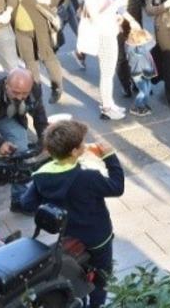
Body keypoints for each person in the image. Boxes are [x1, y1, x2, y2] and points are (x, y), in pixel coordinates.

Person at [21, 119, 124, 308]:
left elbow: (27, 203)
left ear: (50, 151)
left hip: (69, 236)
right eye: (82, 143)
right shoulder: (88, 177)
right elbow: (117, 187)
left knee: (76, 272)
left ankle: (78, 297)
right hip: (97, 238)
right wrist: (109, 156)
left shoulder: (41, 175)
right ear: (76, 151)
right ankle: (97, 304)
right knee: (102, 276)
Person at [0, 68, 48, 215]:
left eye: (24, 93)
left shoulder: (34, 88)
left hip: (4, 113)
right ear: (6, 85)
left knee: (21, 148)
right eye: (16, 92)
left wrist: (45, 138)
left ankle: (19, 199)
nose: (20, 98)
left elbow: (39, 115)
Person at [12, 0, 65, 104]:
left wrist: (47, 0)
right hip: (21, 30)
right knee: (29, 63)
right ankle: (36, 95)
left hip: (40, 28)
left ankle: (57, 86)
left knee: (47, 58)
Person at [83, 0, 131, 120]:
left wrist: (117, 16)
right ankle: (106, 106)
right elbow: (96, 18)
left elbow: (109, 14)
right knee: (107, 73)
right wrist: (116, 5)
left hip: (111, 33)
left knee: (109, 72)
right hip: (103, 36)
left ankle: (110, 103)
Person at [108, 0, 140, 98]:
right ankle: (125, 84)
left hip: (135, 14)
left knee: (135, 51)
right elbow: (115, 3)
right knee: (121, 55)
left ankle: (136, 81)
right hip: (118, 19)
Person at [126, 28, 157, 116]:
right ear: (139, 41)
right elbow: (153, 43)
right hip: (139, 74)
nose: (146, 41)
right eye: (144, 40)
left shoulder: (133, 47)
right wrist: (148, 35)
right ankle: (136, 106)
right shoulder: (138, 49)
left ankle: (143, 104)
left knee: (147, 89)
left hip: (144, 72)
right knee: (144, 91)